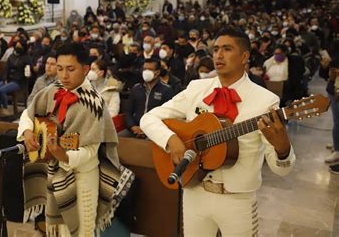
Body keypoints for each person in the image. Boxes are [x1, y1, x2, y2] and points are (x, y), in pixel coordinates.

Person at [140, 28, 295, 236]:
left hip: (237, 199)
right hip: (195, 191)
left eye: (227, 49)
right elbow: (148, 118)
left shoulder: (265, 101)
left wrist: (282, 148)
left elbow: (281, 170)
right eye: (215, 49)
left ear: (244, 57)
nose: (218, 55)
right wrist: (172, 140)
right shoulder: (196, 88)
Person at [17, 43, 132, 236]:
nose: (63, 75)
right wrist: (28, 131)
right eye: (60, 69)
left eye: (71, 69)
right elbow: (27, 115)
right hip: (54, 173)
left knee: (80, 231)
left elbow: (91, 150)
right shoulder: (53, 89)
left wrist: (64, 155)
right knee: (58, 232)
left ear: (86, 69)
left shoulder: (94, 103)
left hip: (82, 178)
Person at [125, 58, 174, 138]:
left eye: (150, 69)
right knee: (119, 138)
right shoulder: (136, 88)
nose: (146, 72)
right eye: (144, 69)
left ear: (157, 72)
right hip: (135, 127)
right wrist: (132, 126)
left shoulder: (166, 90)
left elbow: (168, 115)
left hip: (155, 129)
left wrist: (151, 130)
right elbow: (128, 111)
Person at [0, 40, 32, 115]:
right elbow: (6, 69)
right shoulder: (12, 56)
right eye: (17, 46)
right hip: (9, 79)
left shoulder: (27, 58)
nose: (18, 47)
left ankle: (5, 107)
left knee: (1, 90)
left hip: (18, 81)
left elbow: (28, 71)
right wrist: (5, 79)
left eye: (20, 46)